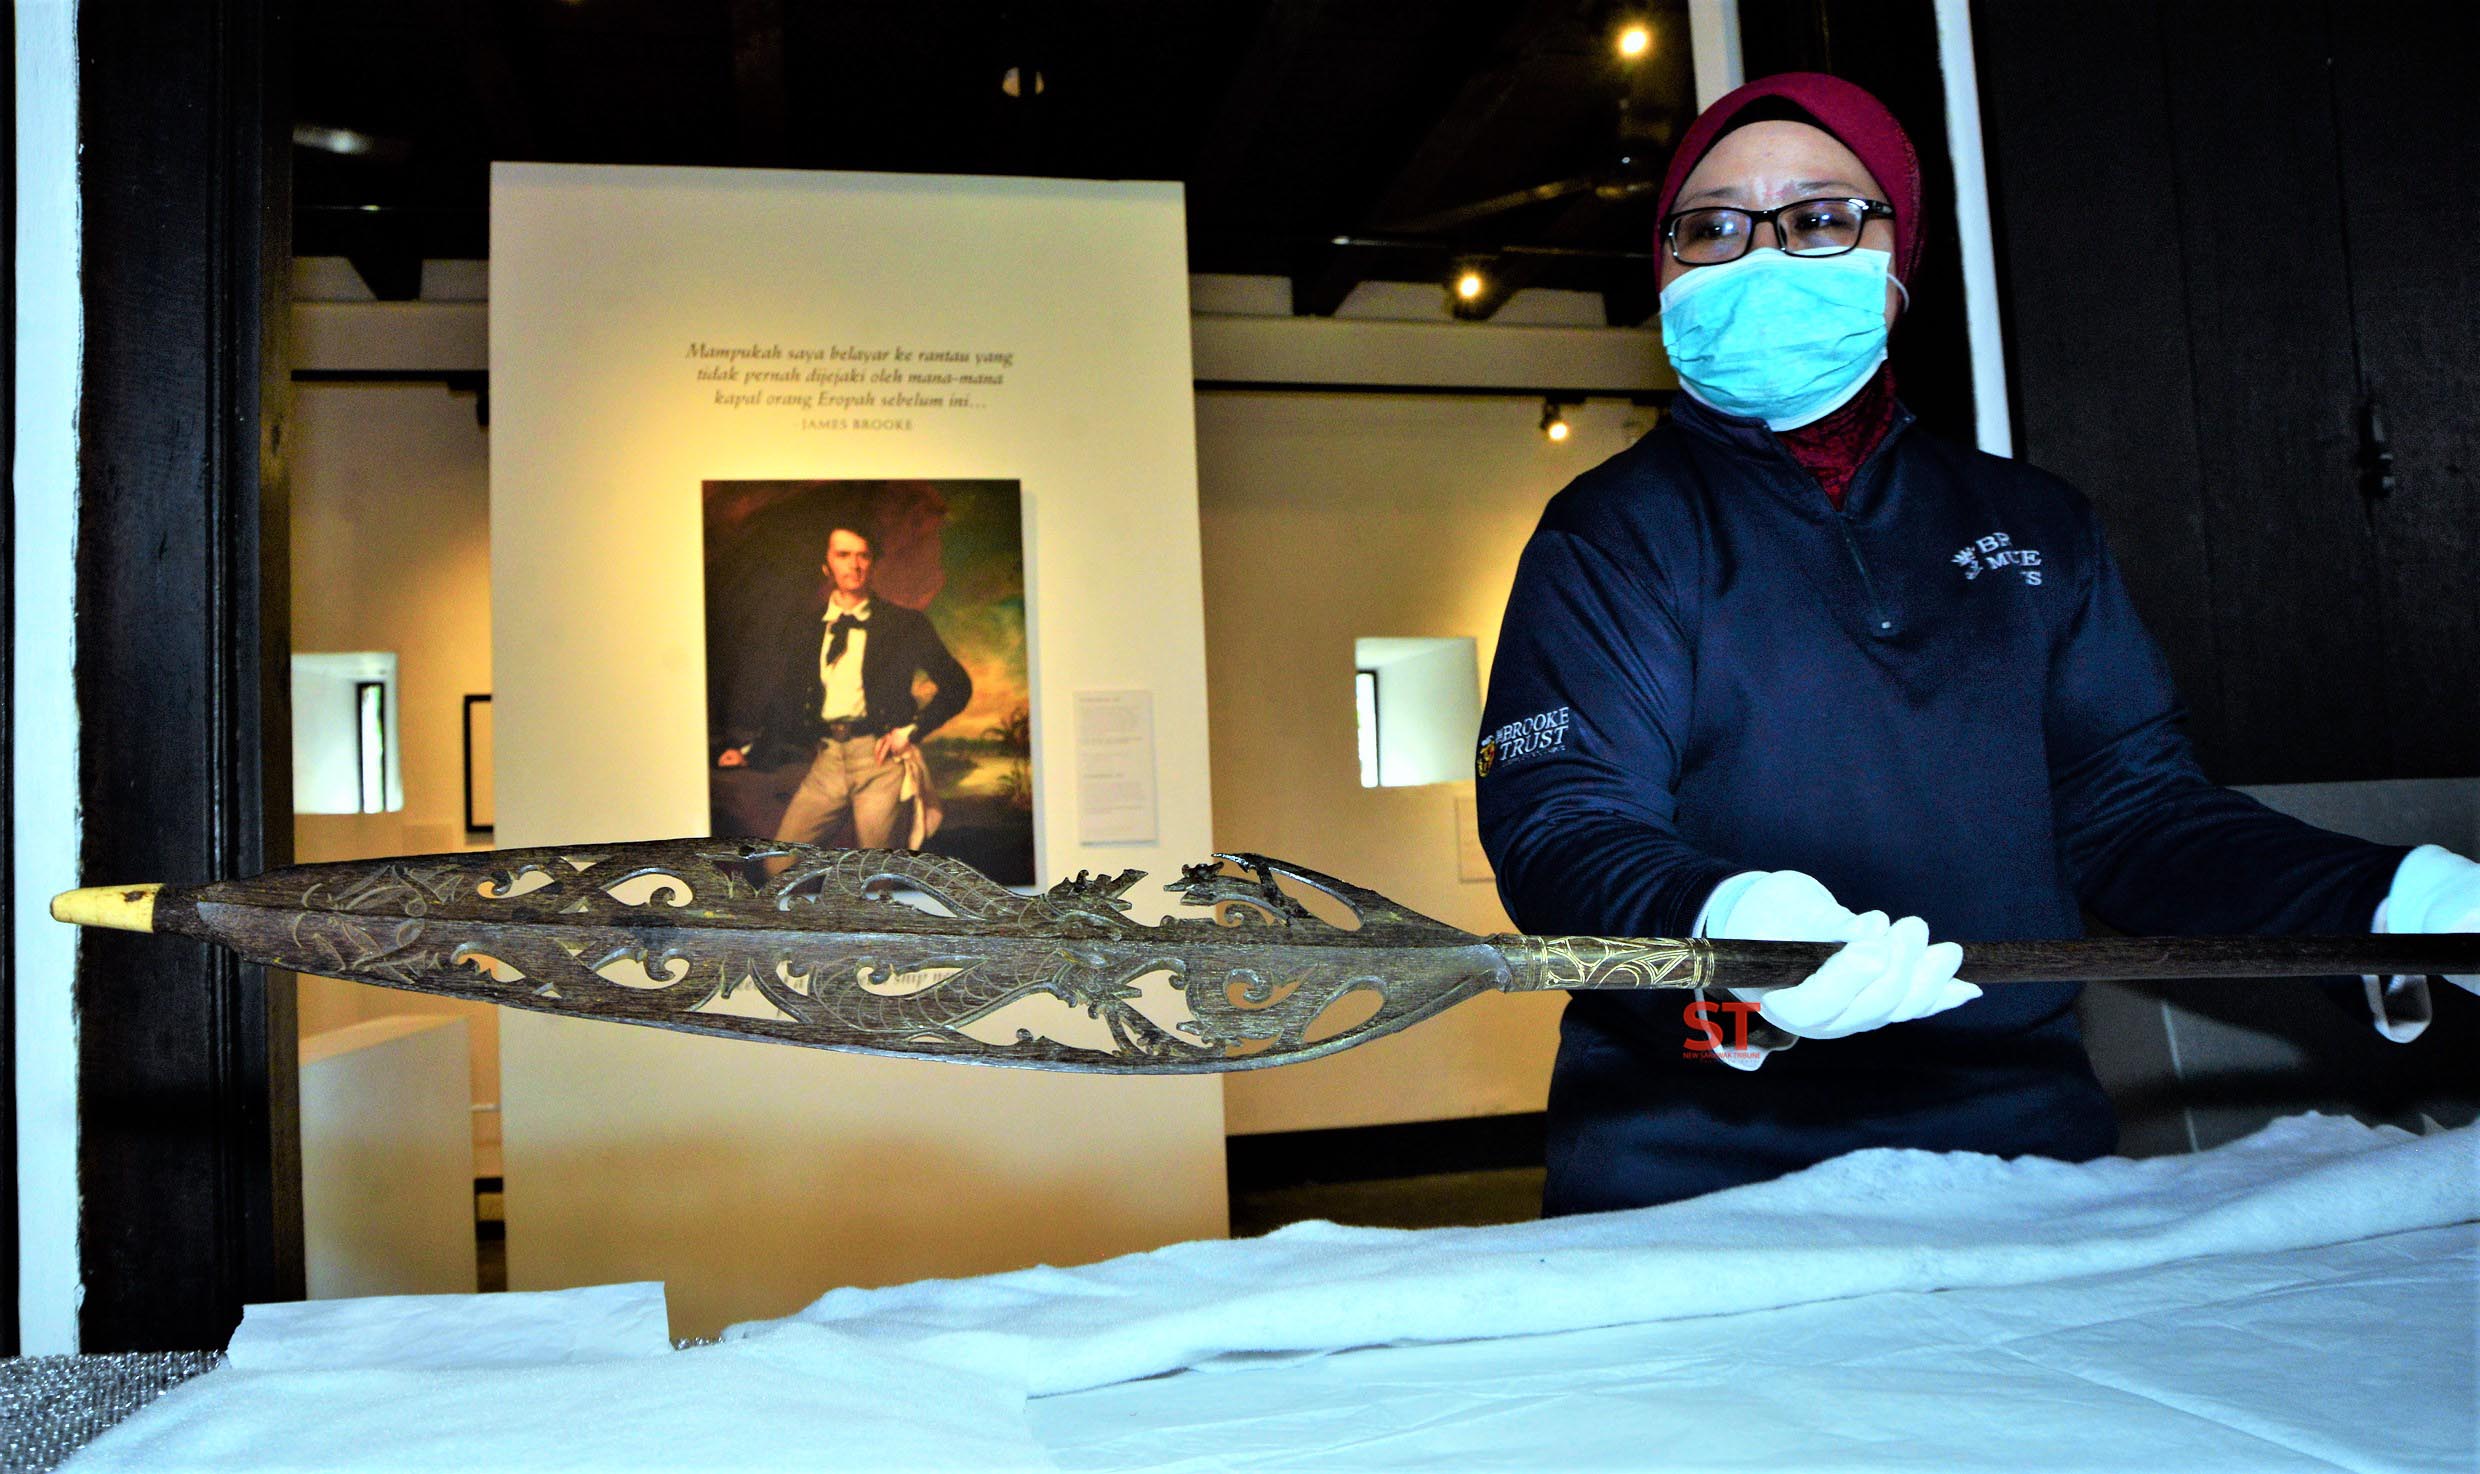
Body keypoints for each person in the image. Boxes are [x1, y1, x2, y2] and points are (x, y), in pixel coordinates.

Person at [1474, 72, 2480, 1216]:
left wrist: (2379, 899)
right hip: (1687, 1160)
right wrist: (1719, 925)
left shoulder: (2035, 525)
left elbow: (2134, 814)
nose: (1758, 258)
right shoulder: (1610, 531)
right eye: (1709, 227)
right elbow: (1560, 817)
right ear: (1662, 273)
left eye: (1816, 218)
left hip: (2017, 1156)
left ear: (1898, 267)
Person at [719, 523, 972, 851]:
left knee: (875, 874)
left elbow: (958, 686)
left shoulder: (905, 625)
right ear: (826, 565)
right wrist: (747, 753)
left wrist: (909, 732)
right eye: (843, 555)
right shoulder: (807, 630)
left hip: (881, 763)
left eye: (862, 555)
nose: (854, 565)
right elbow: (788, 703)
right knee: (778, 864)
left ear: (872, 562)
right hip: (827, 763)